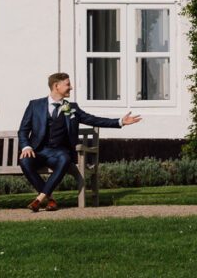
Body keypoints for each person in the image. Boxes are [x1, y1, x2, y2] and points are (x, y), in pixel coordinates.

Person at [18, 72, 142, 211]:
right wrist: (26, 147)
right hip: (39, 151)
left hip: (59, 153)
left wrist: (119, 122)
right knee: (24, 161)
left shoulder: (72, 108)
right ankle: (50, 199)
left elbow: (93, 120)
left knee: (65, 159)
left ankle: (39, 199)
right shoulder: (35, 105)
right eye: (68, 84)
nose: (71, 88)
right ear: (56, 86)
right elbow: (23, 130)